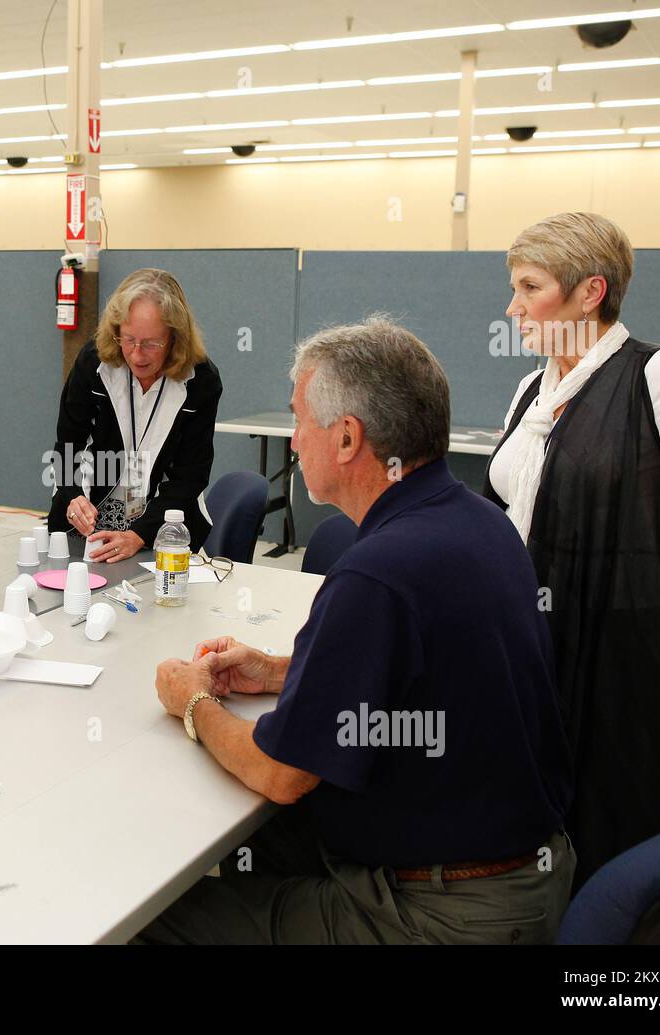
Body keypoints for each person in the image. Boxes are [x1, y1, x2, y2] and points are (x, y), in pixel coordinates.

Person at [138, 318, 574, 945]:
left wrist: (194, 703)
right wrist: (280, 671)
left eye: (299, 422)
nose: (292, 441)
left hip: (448, 914)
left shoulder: (377, 574)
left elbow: (281, 774)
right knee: (238, 852)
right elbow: (432, 670)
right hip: (519, 869)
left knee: (161, 918)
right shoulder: (478, 522)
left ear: (346, 438)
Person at [484, 211, 660, 888]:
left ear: (589, 292)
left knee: (608, 844)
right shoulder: (531, 391)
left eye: (528, 287)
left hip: (623, 670)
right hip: (536, 650)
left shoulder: (659, 375)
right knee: (532, 837)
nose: (511, 307)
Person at [47, 268, 222, 561]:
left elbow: (191, 474)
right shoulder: (94, 362)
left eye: (152, 343)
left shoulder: (200, 381)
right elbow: (68, 443)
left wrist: (140, 534)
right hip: (92, 512)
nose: (137, 355)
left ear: (176, 338)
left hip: (163, 519)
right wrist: (72, 494)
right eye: (128, 339)